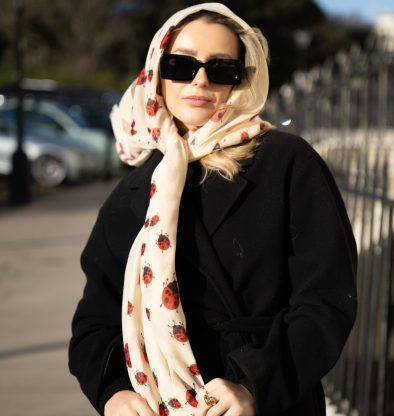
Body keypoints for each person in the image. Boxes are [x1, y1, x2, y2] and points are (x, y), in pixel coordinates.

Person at [68, 3, 357, 416]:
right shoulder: (131, 192)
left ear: (242, 80)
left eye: (222, 69)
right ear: (156, 73)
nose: (200, 79)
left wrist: (253, 384)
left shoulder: (287, 163)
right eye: (181, 64)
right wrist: (114, 392)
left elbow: (327, 301)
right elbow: (94, 323)